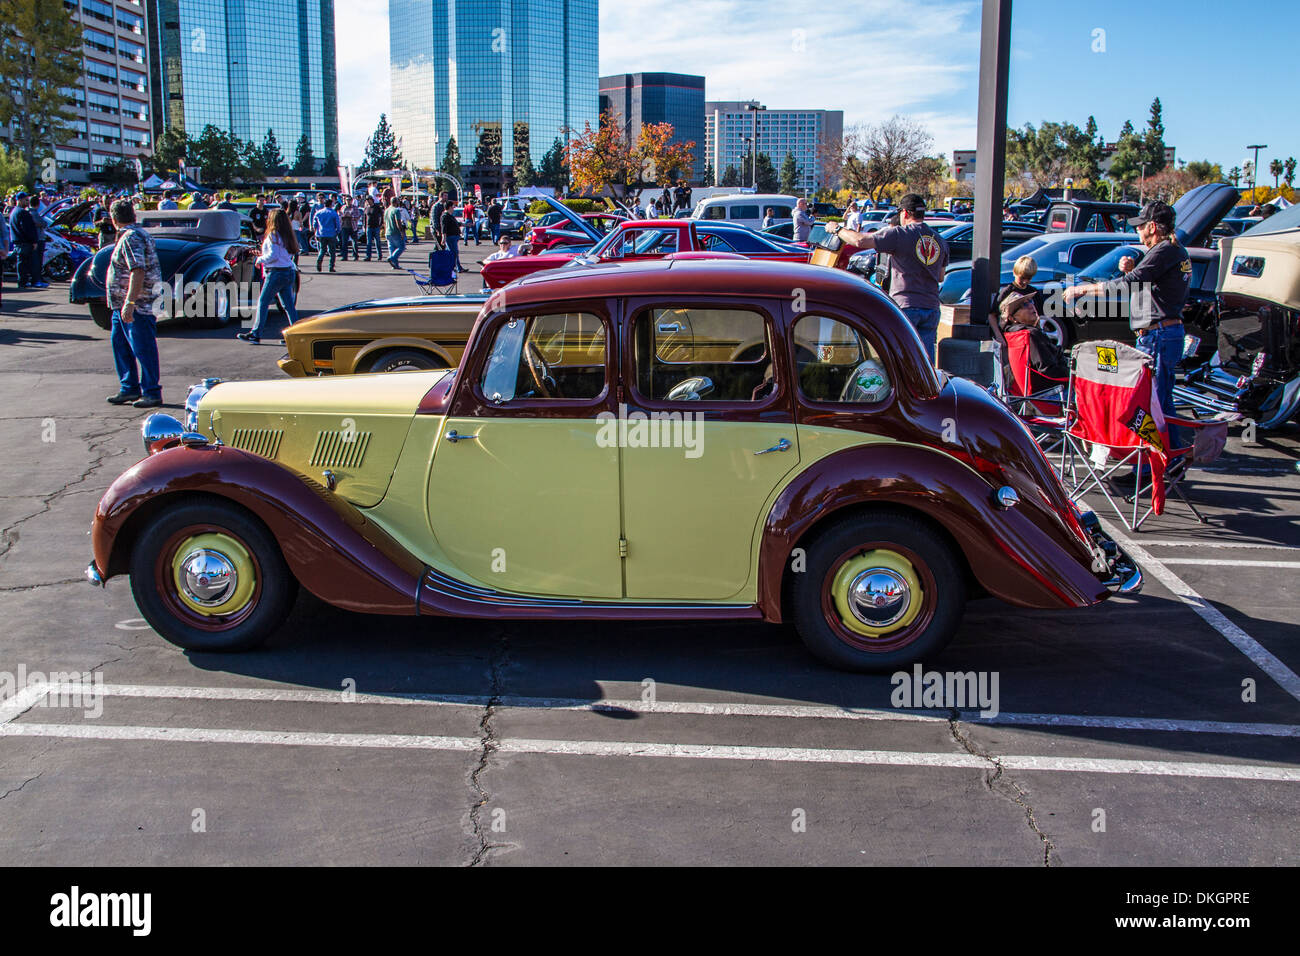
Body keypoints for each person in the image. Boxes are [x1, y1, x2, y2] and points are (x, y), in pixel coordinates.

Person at [1064, 200, 1191, 447]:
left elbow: (1127, 285)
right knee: (1160, 403)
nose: (1137, 231)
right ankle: (1165, 460)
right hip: (1163, 334)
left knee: (1148, 403)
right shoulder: (1172, 250)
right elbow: (1147, 288)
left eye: (1140, 226)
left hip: (1159, 336)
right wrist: (1132, 270)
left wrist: (1082, 289)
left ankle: (1148, 466)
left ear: (1153, 227)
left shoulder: (1165, 250)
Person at [831, 193, 949, 363]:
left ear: (905, 213)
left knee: (899, 361)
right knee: (924, 362)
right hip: (931, 307)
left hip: (905, 305)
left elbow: (860, 241)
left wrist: (837, 229)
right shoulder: (940, 240)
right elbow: (940, 276)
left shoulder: (900, 234)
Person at [104, 199, 163, 407]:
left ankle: (151, 391)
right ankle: (129, 387)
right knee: (121, 345)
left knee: (142, 347)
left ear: (113, 219)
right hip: (123, 304)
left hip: (138, 303)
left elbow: (137, 269)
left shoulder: (131, 237)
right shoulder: (137, 234)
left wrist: (130, 301)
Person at [992, 256, 1067, 385]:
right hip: (1015, 334)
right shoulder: (1007, 292)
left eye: (1029, 278)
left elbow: (1039, 315)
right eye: (1023, 278)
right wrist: (999, 336)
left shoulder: (1033, 292)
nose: (1025, 282)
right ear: (1015, 273)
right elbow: (992, 314)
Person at [238, 208, 299, 345]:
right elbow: (285, 254)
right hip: (288, 271)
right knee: (288, 306)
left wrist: (260, 259)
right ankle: (296, 334)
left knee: (263, 302)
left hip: (276, 272)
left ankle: (256, 334)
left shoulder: (273, 235)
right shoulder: (287, 235)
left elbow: (273, 255)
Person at [8, 192, 45, 289]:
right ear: (19, 200)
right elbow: (28, 229)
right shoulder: (23, 212)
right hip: (25, 243)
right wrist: (34, 241)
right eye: (26, 200)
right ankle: (25, 282)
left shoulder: (14, 212)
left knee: (22, 263)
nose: (27, 202)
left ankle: (23, 282)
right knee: (26, 264)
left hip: (18, 242)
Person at [312, 195, 341, 272]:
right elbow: (337, 224)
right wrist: (337, 231)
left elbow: (314, 224)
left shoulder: (318, 213)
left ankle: (319, 261)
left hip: (321, 233)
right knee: (332, 251)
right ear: (331, 205)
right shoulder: (333, 213)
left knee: (322, 249)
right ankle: (331, 266)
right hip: (331, 234)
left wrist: (315, 232)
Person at [439, 201, 462, 273]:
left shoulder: (450, 215)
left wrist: (464, 224)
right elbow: (443, 228)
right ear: (449, 207)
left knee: (452, 253)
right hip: (450, 237)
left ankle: (452, 267)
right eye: (453, 207)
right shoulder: (445, 216)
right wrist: (443, 238)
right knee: (453, 253)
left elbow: (456, 224)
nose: (453, 209)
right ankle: (456, 268)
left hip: (454, 237)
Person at [384, 197, 406, 269]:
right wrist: (402, 231)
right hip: (395, 231)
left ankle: (395, 265)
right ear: (396, 202)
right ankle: (392, 258)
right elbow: (398, 222)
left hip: (388, 231)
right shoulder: (396, 211)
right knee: (401, 247)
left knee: (392, 248)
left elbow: (384, 222)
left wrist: (385, 231)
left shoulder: (386, 210)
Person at [338, 196, 357, 260]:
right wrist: (343, 216)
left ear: (351, 201)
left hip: (352, 227)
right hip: (344, 227)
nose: (348, 201)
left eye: (349, 200)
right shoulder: (343, 207)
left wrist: (351, 216)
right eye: (347, 200)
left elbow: (358, 216)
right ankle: (344, 256)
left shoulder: (354, 208)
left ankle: (355, 255)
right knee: (344, 242)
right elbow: (339, 216)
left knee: (354, 242)